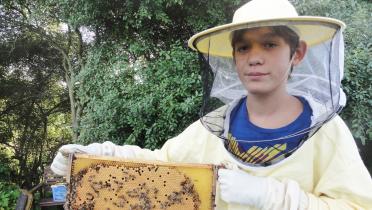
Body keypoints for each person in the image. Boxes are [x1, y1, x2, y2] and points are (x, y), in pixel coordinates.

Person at [51, 0, 372, 209]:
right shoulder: (216, 127)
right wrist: (100, 157)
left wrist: (272, 197)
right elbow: (163, 165)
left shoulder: (325, 132)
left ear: (297, 53)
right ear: (233, 57)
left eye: (270, 44)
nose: (255, 57)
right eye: (243, 47)